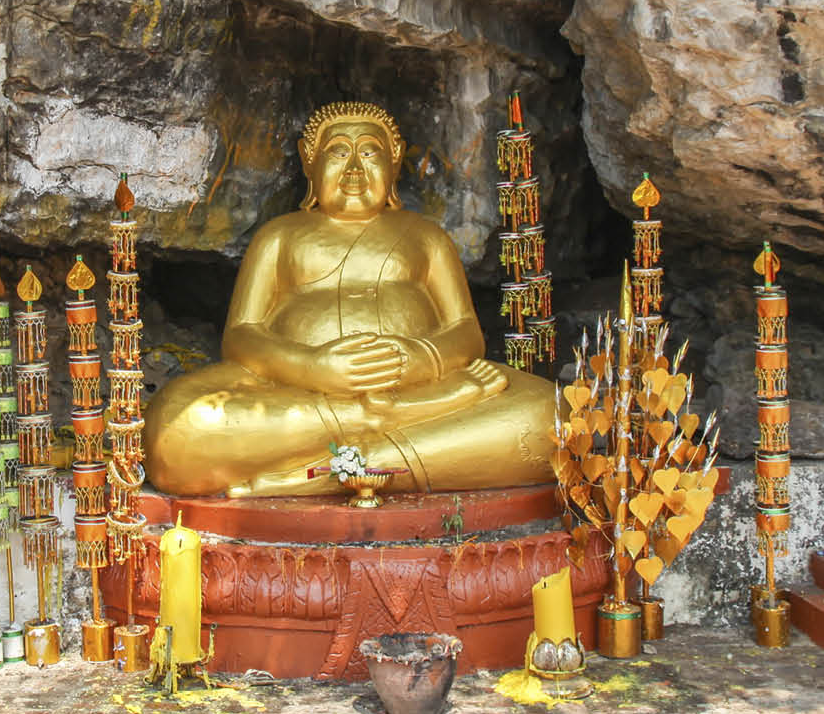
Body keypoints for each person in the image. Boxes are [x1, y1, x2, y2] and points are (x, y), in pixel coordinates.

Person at [145, 102, 555, 497]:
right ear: (311, 163)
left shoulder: (426, 236)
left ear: (394, 165)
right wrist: (312, 368)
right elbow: (241, 338)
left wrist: (422, 358)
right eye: (339, 153)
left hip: (424, 382)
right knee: (174, 427)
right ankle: (381, 421)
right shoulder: (280, 236)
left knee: (552, 416)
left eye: (371, 154)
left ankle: (335, 470)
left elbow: (466, 334)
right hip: (298, 392)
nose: (355, 170)